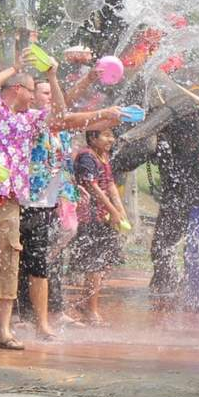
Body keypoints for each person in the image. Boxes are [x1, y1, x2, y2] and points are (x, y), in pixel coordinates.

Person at [0, 57, 63, 350]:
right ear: (17, 89)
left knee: (6, 265)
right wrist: (15, 68)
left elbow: (59, 114)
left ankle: (4, 332)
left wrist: (52, 78)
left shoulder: (30, 119)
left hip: (10, 201)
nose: (33, 96)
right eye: (31, 91)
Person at [16, 77, 120, 338]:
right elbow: (69, 114)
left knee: (51, 259)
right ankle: (15, 313)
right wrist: (101, 109)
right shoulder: (34, 119)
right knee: (31, 259)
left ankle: (52, 310)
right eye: (44, 92)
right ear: (29, 94)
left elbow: (67, 113)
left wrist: (73, 188)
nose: (50, 96)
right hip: (30, 199)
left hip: (56, 199)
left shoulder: (60, 126)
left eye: (53, 92)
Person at [70, 128, 127, 326]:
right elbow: (92, 188)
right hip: (90, 217)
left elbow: (110, 184)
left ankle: (85, 303)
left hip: (104, 216)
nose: (111, 139)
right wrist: (112, 209)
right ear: (92, 138)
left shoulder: (103, 156)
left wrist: (119, 210)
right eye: (106, 135)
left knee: (106, 262)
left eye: (112, 135)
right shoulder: (87, 157)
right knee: (95, 265)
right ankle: (91, 311)